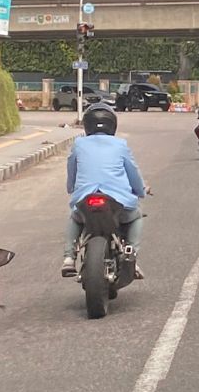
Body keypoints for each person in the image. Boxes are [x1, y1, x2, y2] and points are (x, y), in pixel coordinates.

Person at [63, 104, 147, 279]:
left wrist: (71, 188)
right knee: (136, 216)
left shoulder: (78, 144)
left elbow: (71, 169)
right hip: (117, 201)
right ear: (112, 125)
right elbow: (133, 172)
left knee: (75, 217)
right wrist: (140, 191)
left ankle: (69, 258)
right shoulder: (120, 144)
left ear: (87, 125)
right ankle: (132, 256)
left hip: (85, 199)